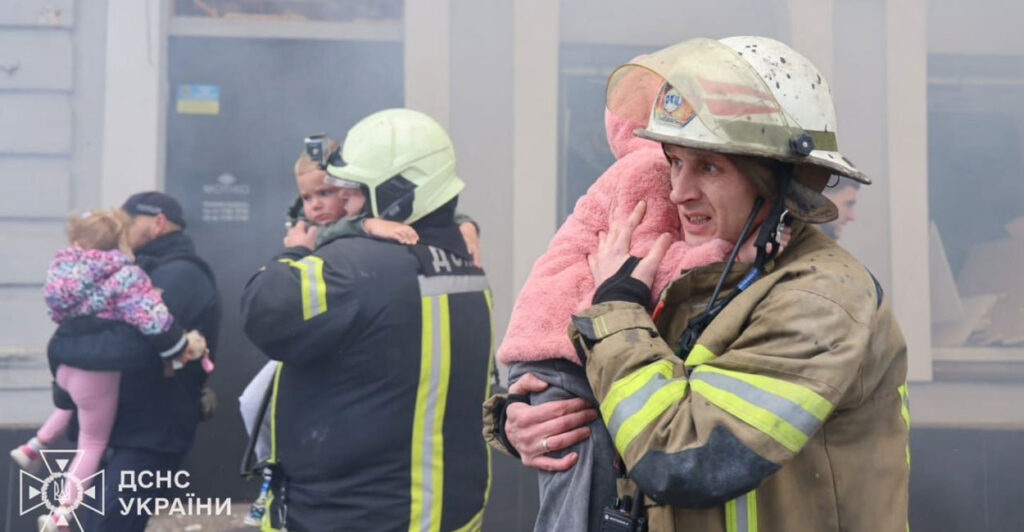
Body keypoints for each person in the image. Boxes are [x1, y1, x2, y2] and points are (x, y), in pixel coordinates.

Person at [486, 36, 909, 531]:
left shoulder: (820, 298)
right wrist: (525, 420)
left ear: (776, 178)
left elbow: (684, 460)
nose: (679, 192)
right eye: (673, 163)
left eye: (709, 167)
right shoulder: (701, 279)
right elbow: (632, 399)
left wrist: (616, 311)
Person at [241, 109, 493, 532]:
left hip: (357, 515)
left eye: (354, 192)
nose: (343, 203)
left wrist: (295, 253)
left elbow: (264, 308)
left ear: (394, 195)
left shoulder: (359, 268)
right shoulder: (463, 262)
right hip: (445, 510)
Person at [10, 209, 210, 530]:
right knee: (91, 442)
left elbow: (56, 309)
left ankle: (34, 445)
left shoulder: (63, 270)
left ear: (76, 241)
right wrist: (177, 348)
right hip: (99, 376)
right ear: (122, 244)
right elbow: (151, 317)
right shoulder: (126, 276)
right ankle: (62, 512)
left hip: (66, 365)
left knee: (71, 404)